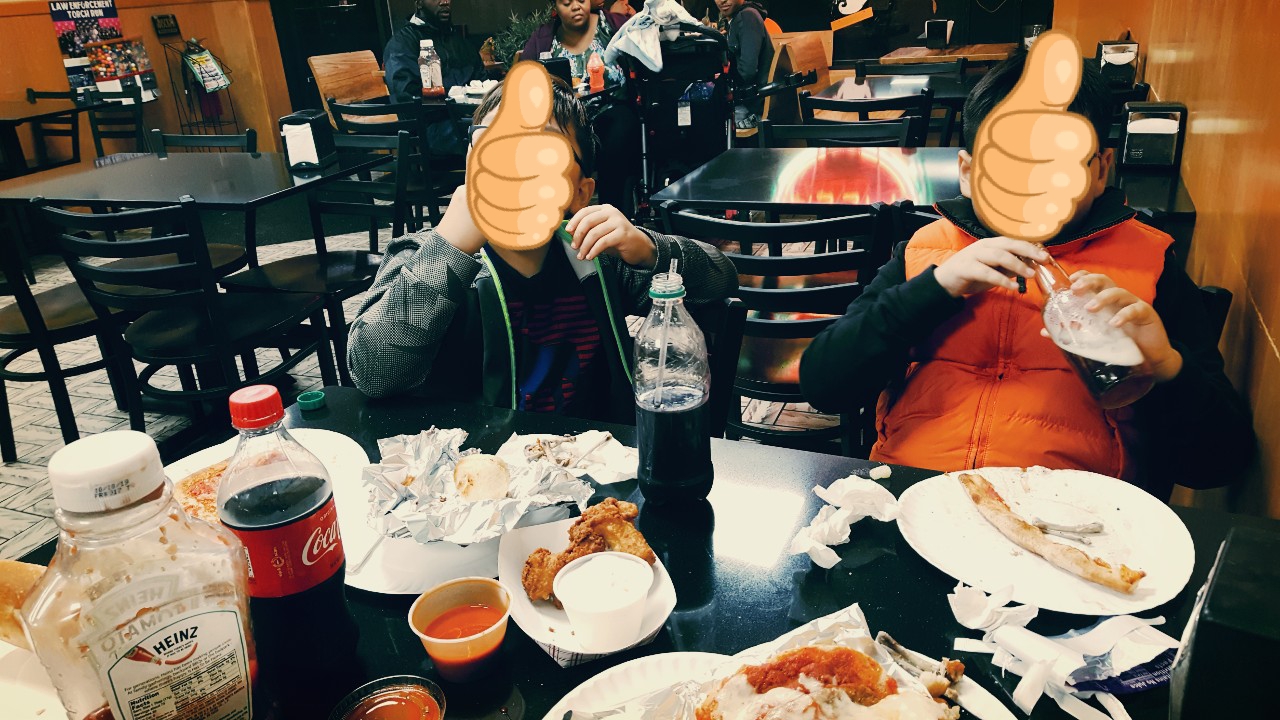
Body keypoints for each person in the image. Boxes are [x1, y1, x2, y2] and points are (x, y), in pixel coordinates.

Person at [797, 50, 1255, 497]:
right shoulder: (925, 251)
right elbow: (825, 386)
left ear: (1101, 170)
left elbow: (1219, 463)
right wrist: (936, 288)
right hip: (913, 500)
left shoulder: (1150, 267)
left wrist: (1167, 367)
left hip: (1073, 521)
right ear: (968, 172)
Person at [347, 74, 736, 423]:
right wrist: (448, 248)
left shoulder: (594, 257)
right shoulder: (421, 259)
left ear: (580, 193)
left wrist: (647, 248)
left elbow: (721, 278)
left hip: (597, 466)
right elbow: (373, 373)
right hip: (478, 471)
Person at [523, 0, 642, 213]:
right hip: (565, 122)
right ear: (555, 8)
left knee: (620, 129)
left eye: (581, 0)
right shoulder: (543, 39)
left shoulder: (612, 26)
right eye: (566, 3)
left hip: (612, 114)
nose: (576, 6)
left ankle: (613, 212)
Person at [383, 0, 484, 154]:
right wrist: (455, 99)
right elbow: (406, 97)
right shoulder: (402, 44)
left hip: (467, 122)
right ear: (419, 3)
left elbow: (482, 79)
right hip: (430, 131)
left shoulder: (460, 42)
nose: (445, 2)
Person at [716, 0, 774, 128]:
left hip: (754, 107)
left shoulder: (748, 16)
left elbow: (747, 72)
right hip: (748, 101)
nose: (722, 1)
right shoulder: (734, 20)